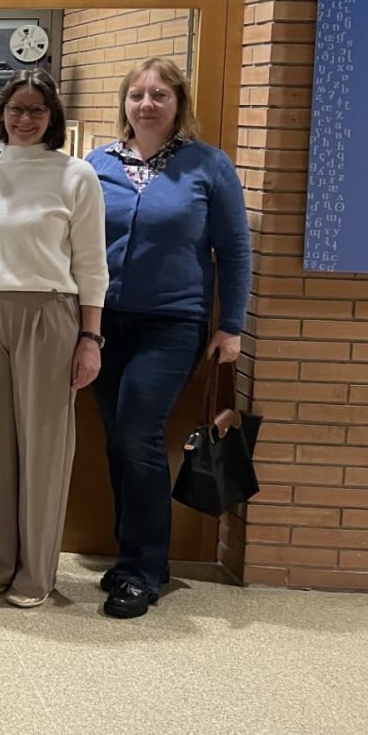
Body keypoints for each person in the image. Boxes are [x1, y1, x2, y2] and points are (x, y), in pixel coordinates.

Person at [0, 69, 107, 608]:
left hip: (48, 314)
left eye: (36, 110)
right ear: (1, 114)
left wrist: (90, 338)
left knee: (44, 445)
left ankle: (36, 572)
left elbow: (92, 265)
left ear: (52, 117)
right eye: (16, 109)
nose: (25, 119)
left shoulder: (76, 175)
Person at [86, 57, 251, 619]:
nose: (147, 104)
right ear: (124, 103)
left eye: (160, 94)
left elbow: (233, 250)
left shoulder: (208, 166)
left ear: (179, 102)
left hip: (172, 323)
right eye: (137, 94)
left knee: (137, 432)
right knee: (117, 440)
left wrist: (232, 326)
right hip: (100, 325)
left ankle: (144, 568)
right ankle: (136, 554)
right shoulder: (97, 163)